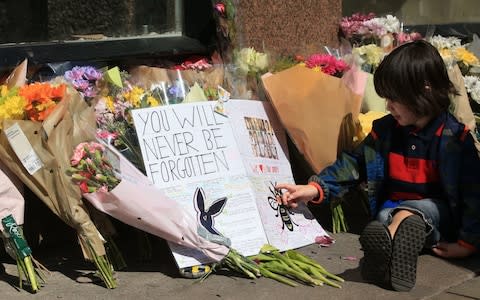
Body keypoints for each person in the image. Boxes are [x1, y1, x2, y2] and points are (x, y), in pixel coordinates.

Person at [276, 40, 480, 292]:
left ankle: (383, 255)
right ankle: (392, 252)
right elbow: (353, 164)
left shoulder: (454, 140)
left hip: (438, 217)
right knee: (386, 217)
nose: (388, 106)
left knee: (415, 211)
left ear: (425, 91)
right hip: (390, 213)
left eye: (394, 99)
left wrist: (468, 243)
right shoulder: (385, 132)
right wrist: (315, 188)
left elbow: (474, 194)